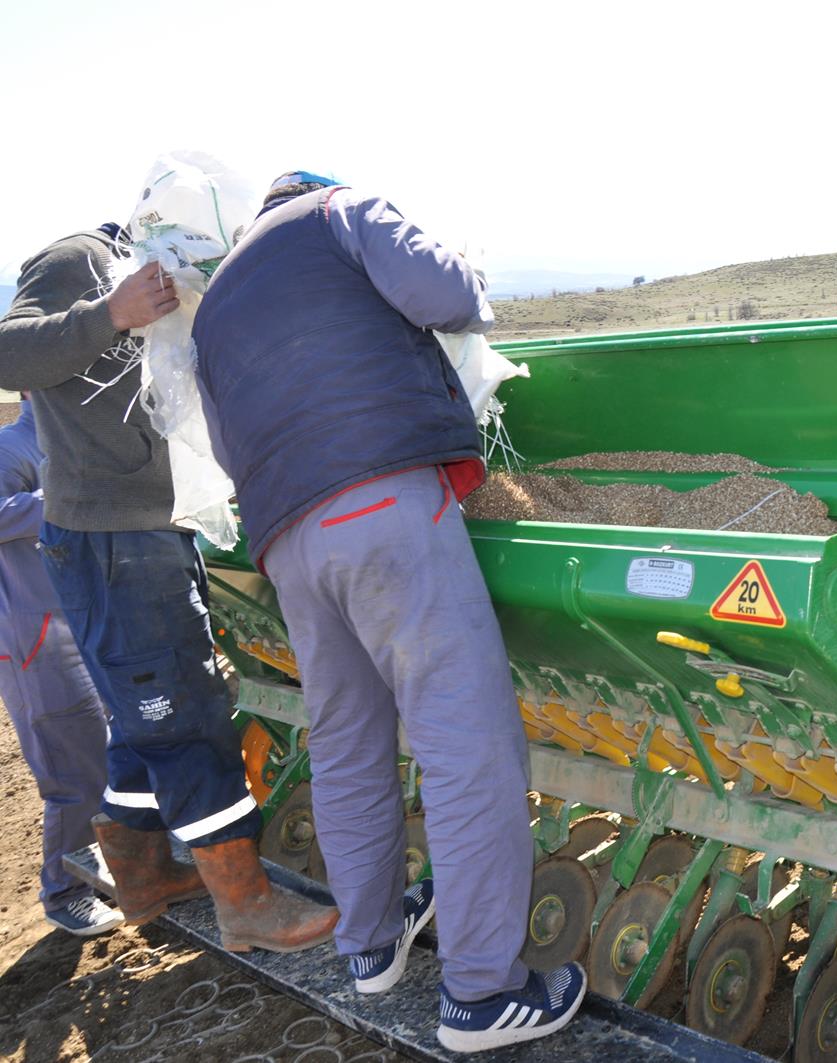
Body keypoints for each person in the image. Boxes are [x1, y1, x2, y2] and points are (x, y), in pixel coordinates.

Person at [192, 171, 585, 1052]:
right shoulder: (341, 211)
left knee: (345, 740)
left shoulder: (214, 306)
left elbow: (222, 445)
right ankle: (482, 993)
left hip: (287, 540)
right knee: (464, 740)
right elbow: (442, 294)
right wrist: (468, 274)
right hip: (381, 502)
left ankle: (369, 946)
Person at [0, 220, 337, 952]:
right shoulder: (79, 259)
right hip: (112, 535)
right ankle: (246, 901)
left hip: (150, 525)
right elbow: (8, 349)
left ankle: (144, 872)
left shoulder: (169, 283)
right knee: (183, 709)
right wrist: (109, 312)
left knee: (143, 712)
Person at [0, 398, 120, 936]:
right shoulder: (11, 446)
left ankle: (111, 864)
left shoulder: (77, 438)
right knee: (74, 767)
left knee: (115, 752)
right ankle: (64, 891)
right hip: (37, 636)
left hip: (86, 618)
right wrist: (65, 497)